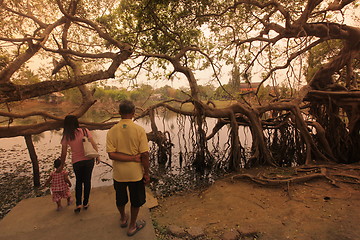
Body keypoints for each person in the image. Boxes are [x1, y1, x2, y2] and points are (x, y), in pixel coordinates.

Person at [106, 100, 150, 237]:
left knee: (120, 199)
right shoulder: (139, 130)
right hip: (135, 174)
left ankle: (123, 218)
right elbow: (145, 154)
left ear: (119, 113)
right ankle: (132, 226)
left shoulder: (112, 131)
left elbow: (111, 154)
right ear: (133, 113)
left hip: (119, 174)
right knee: (136, 201)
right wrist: (146, 173)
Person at [60, 115, 100, 213]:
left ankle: (78, 204)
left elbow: (64, 152)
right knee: (87, 181)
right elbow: (93, 144)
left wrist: (61, 165)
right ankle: (85, 203)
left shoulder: (67, 135)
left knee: (79, 182)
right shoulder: (84, 131)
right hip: (89, 159)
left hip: (77, 162)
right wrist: (97, 155)